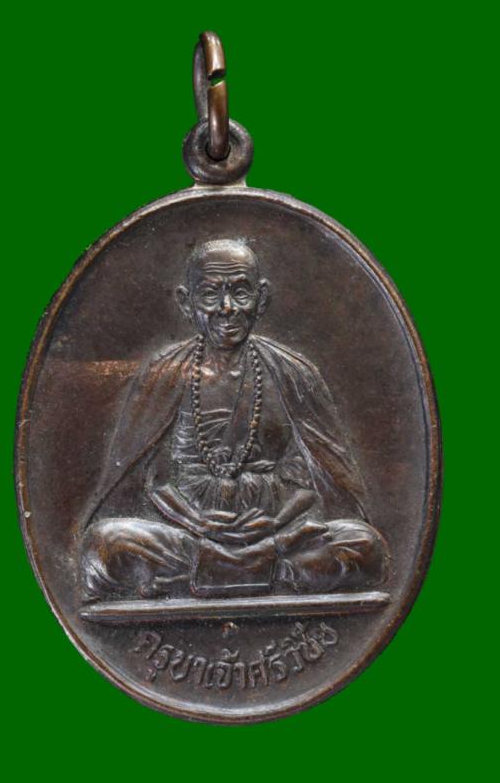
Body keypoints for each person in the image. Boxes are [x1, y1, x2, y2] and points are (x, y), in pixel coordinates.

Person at [80, 239, 388, 599]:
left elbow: (315, 477)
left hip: (277, 532)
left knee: (365, 545)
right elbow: (154, 479)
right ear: (186, 302)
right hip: (191, 536)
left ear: (262, 298)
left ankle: (206, 576)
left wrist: (276, 526)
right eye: (211, 294)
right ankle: (266, 573)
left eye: (240, 292)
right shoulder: (164, 373)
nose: (227, 308)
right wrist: (197, 521)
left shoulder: (293, 373)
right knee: (102, 546)